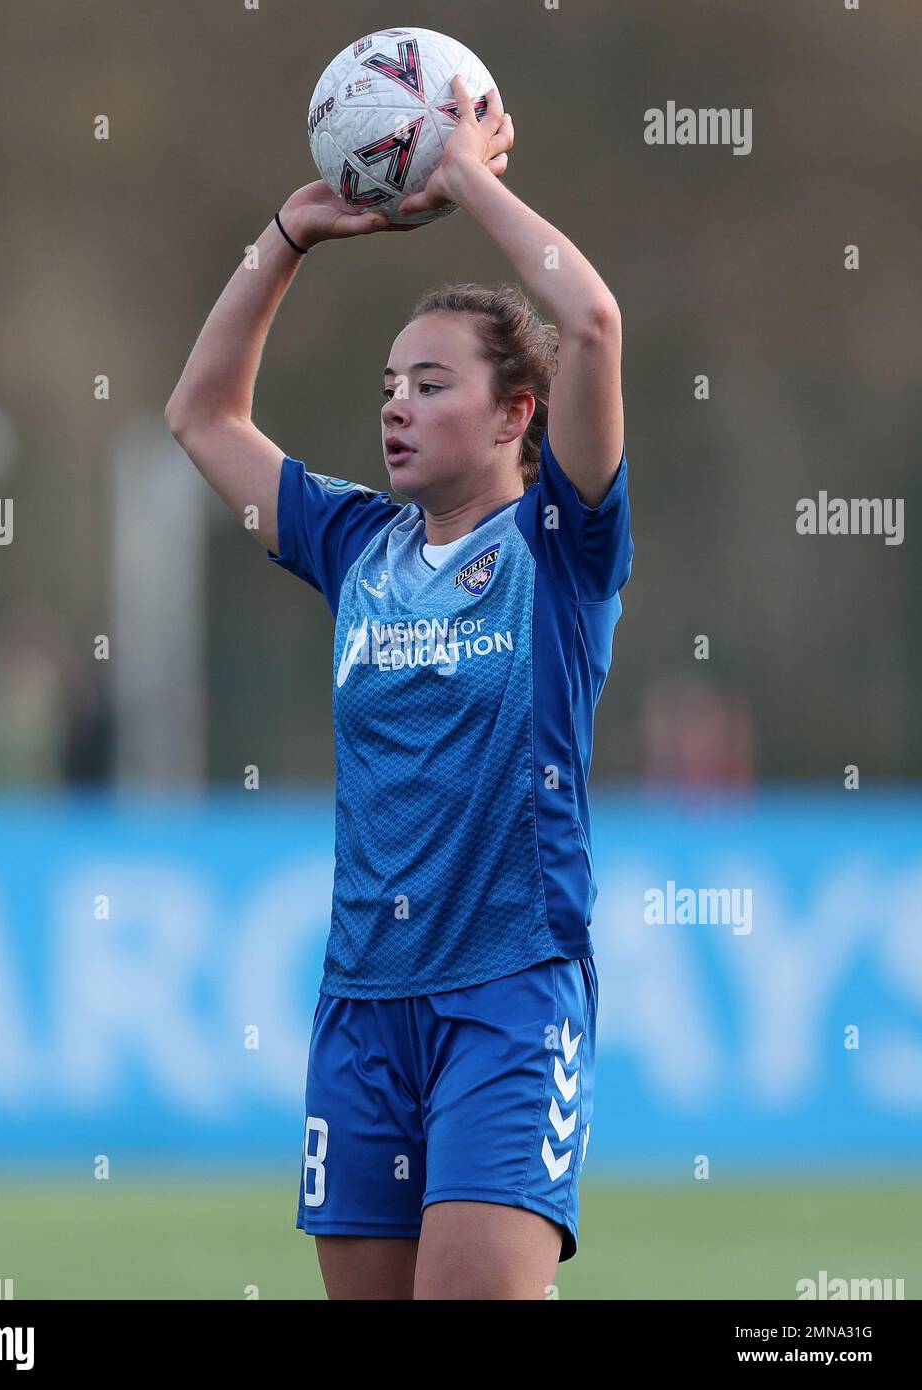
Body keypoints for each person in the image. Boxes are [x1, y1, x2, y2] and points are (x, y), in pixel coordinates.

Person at [166, 77, 633, 1300]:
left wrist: (462, 168)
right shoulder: (357, 544)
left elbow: (588, 318)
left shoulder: (559, 548)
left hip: (508, 996)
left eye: (432, 384)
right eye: (388, 384)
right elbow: (201, 416)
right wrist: (286, 239)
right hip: (362, 1003)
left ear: (514, 414)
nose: (395, 405)